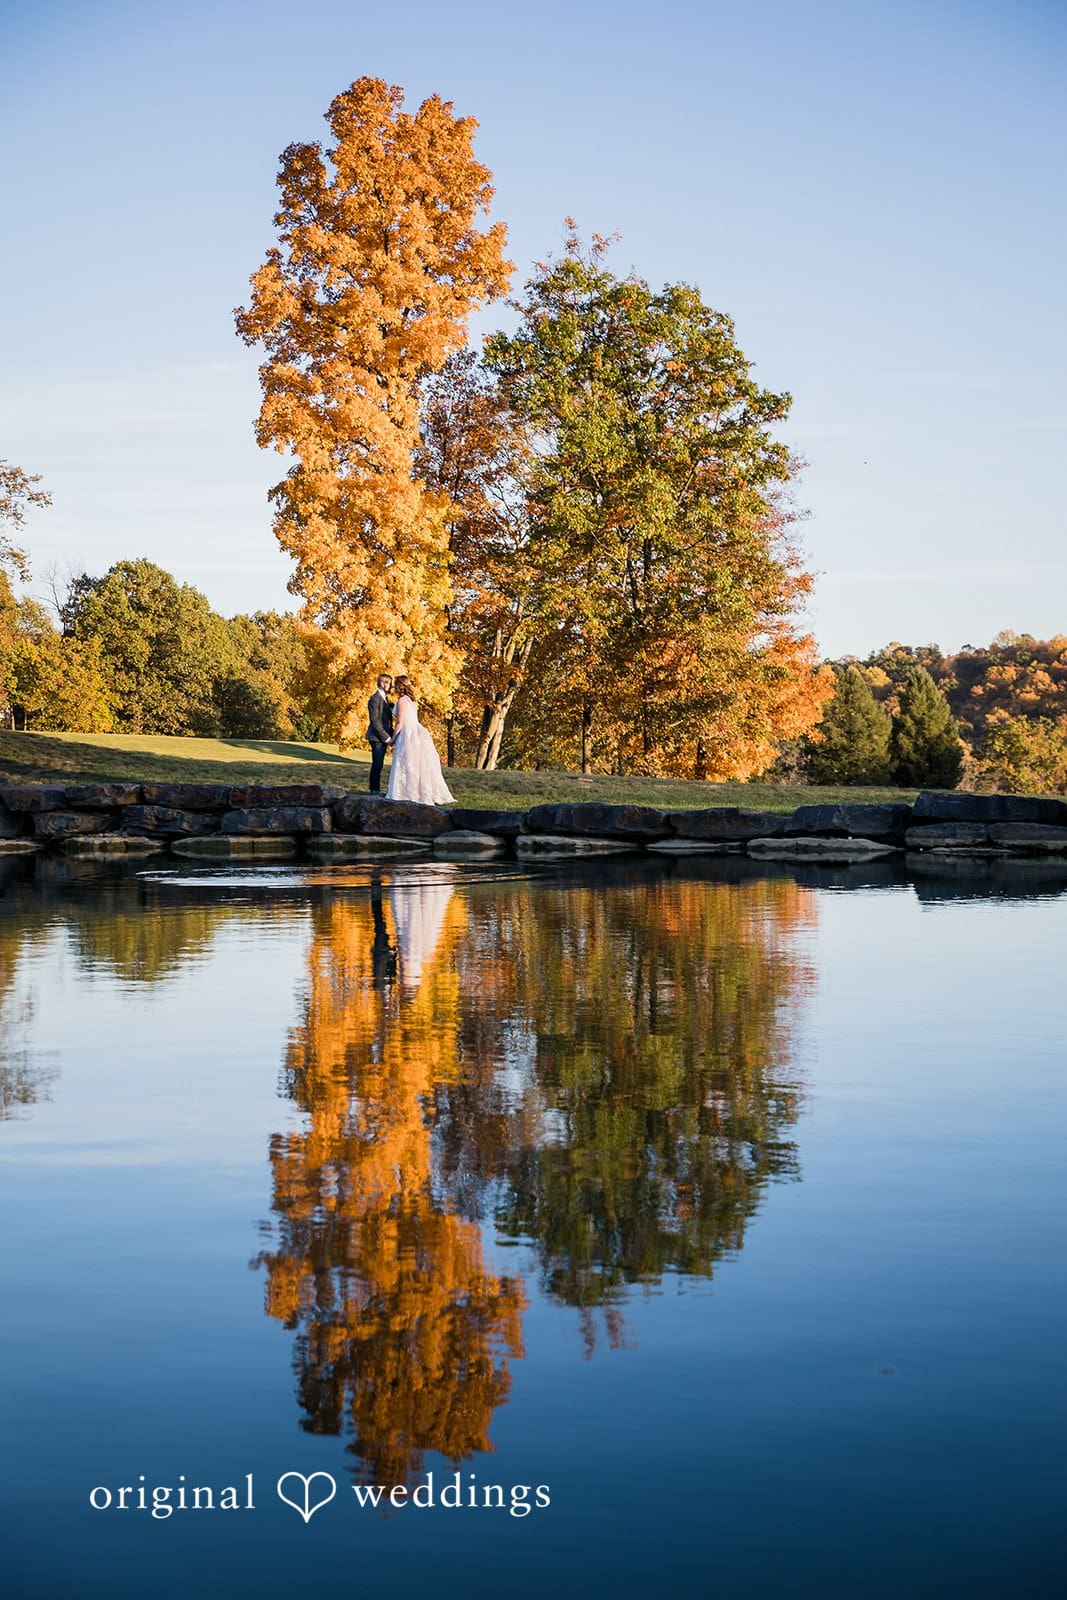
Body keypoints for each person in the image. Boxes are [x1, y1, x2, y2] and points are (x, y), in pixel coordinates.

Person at [386, 676, 454, 805]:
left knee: (406, 762)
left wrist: (392, 739)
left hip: (408, 734)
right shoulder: (412, 701)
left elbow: (400, 722)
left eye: (396, 685)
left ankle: (406, 792)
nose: (394, 687)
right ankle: (417, 792)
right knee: (417, 764)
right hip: (417, 732)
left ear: (400, 686)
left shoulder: (402, 701)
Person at [365, 673, 395, 794]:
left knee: (379, 764)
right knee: (377, 764)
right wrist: (387, 738)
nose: (389, 685)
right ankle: (374, 790)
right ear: (382, 683)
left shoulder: (385, 699)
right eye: (387, 683)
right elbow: (375, 721)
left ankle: (376, 789)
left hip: (382, 736)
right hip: (377, 737)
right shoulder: (375, 699)